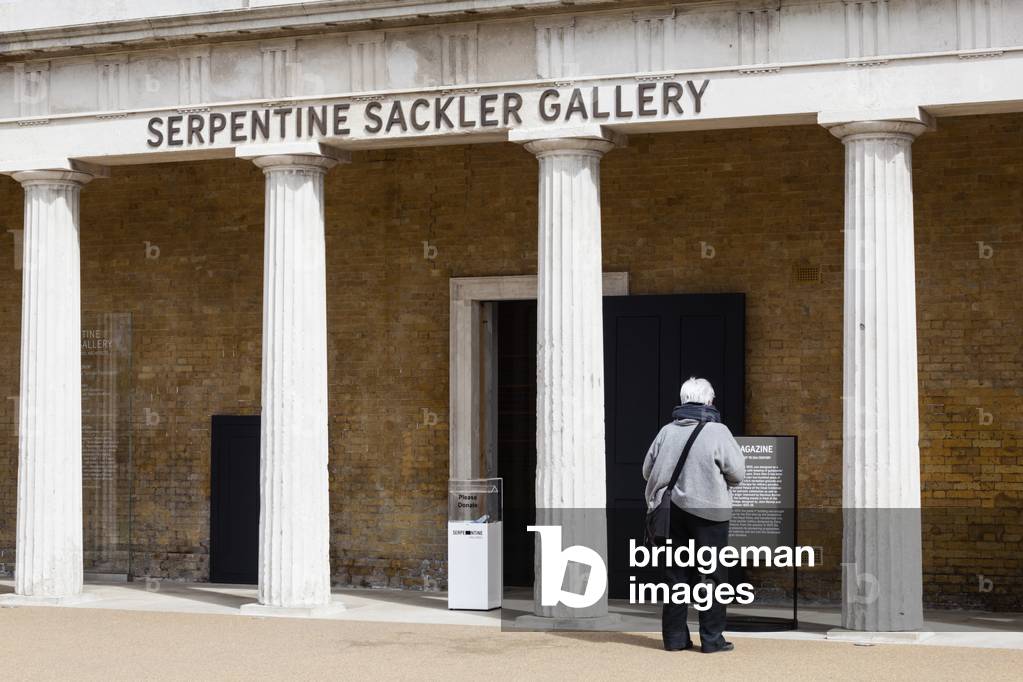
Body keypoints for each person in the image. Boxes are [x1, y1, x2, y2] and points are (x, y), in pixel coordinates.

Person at [642, 377, 745, 653]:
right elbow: (738, 473)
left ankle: (675, 639)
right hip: (710, 513)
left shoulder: (666, 431)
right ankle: (712, 640)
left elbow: (646, 470)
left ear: (683, 400)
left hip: (671, 513)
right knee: (712, 576)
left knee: (675, 576)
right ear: (709, 401)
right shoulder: (718, 431)